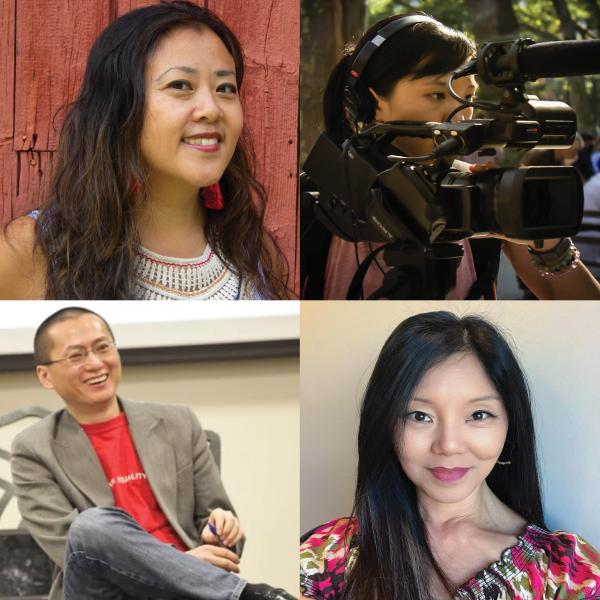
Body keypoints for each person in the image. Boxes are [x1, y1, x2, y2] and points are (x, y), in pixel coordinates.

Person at [300, 311, 600, 599]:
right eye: (419, 416)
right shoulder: (327, 555)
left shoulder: (566, 575)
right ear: (385, 424)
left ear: (510, 423)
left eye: (479, 414)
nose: (449, 445)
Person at [0, 1, 290, 299]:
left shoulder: (253, 252)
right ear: (119, 109)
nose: (212, 109)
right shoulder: (34, 254)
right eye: (180, 85)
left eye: (225, 88)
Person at [301, 13, 600, 300]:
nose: (461, 114)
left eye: (467, 97)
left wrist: (548, 247)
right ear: (370, 102)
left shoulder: (477, 193)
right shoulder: (308, 201)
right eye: (436, 95)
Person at [11, 307, 297, 600]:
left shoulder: (177, 422)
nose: (96, 363)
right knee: (90, 526)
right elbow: (72, 549)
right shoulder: (33, 448)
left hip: (191, 590)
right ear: (45, 376)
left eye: (103, 347)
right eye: (77, 356)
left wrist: (219, 530)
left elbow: (216, 527)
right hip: (108, 591)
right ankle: (253, 596)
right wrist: (183, 565)